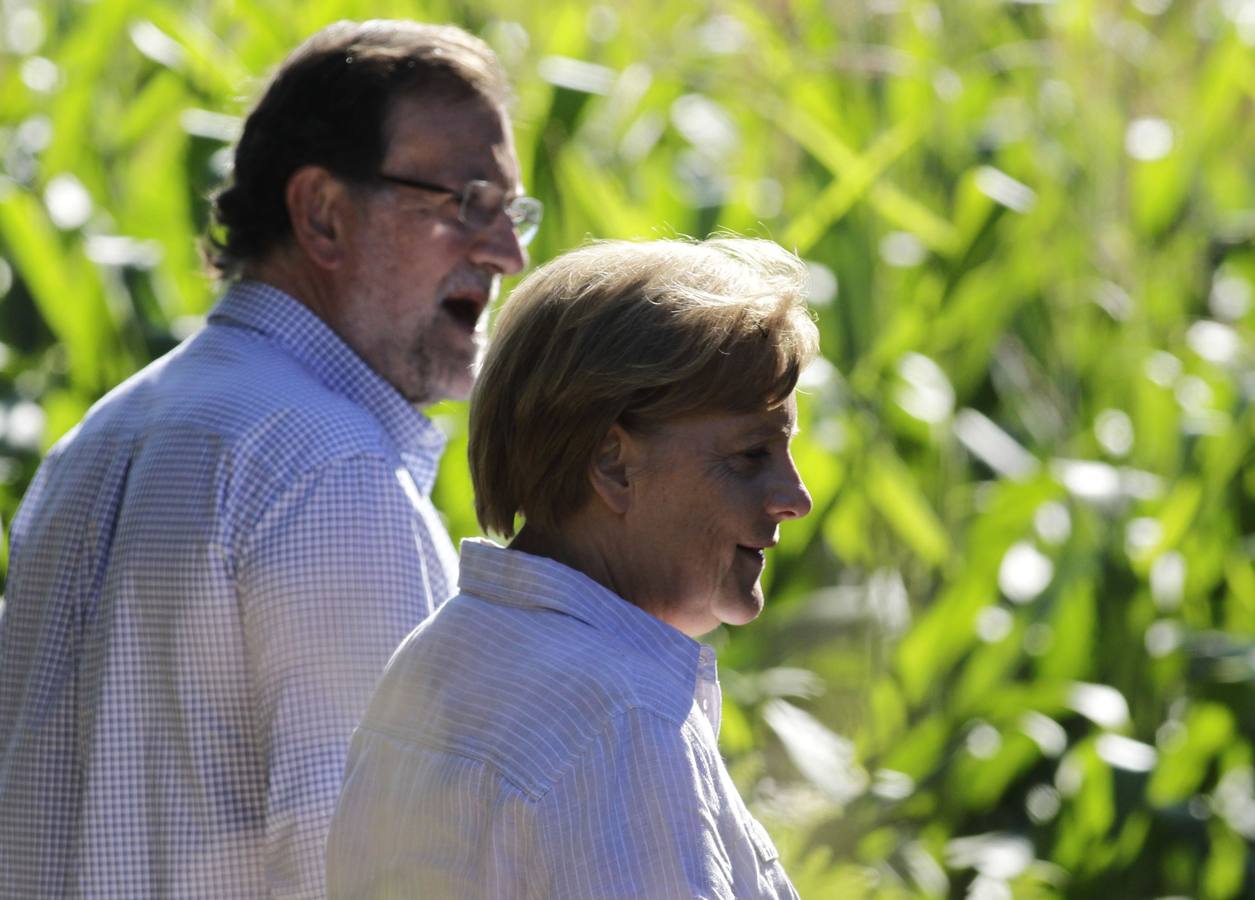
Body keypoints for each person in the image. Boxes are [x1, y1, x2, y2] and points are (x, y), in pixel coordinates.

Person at [0, 19, 536, 897]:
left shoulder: (94, 441)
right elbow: (376, 871)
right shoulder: (330, 469)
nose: (505, 251)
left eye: (510, 211)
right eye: (464, 202)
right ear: (322, 212)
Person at [327, 237, 816, 899]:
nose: (795, 498)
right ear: (613, 463)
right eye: (750, 456)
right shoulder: (619, 718)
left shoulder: (439, 656)